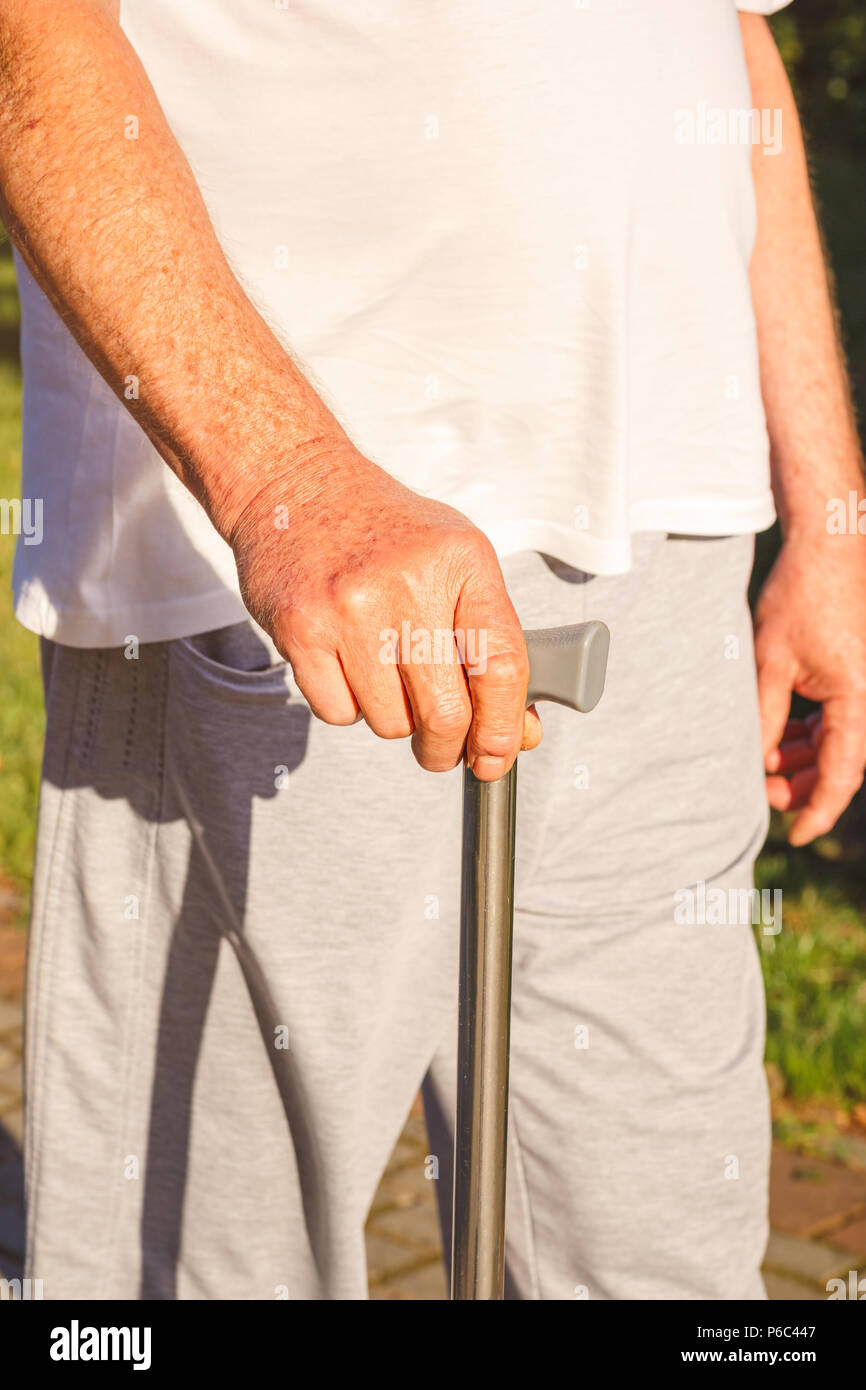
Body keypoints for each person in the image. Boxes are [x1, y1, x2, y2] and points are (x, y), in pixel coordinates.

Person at [0, 0, 863, 1300]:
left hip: (674, 550)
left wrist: (830, 518)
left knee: (664, 1265)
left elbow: (730, 45)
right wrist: (287, 482)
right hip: (300, 565)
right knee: (202, 1275)